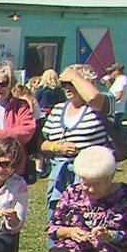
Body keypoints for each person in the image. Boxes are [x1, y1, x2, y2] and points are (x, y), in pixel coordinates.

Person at [39, 64, 110, 236]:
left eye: (72, 84)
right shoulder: (58, 109)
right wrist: (57, 146)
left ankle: (88, 242)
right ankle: (58, 246)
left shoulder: (102, 105)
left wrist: (75, 76)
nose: (68, 88)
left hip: (91, 173)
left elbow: (94, 97)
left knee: (88, 210)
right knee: (57, 209)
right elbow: (42, 143)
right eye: (65, 84)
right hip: (61, 171)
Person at [105, 63, 127, 127]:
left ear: (117, 71)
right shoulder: (119, 80)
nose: (111, 73)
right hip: (114, 110)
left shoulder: (121, 80)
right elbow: (112, 92)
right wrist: (107, 82)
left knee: (113, 131)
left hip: (116, 111)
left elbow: (118, 96)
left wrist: (106, 103)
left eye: (112, 71)